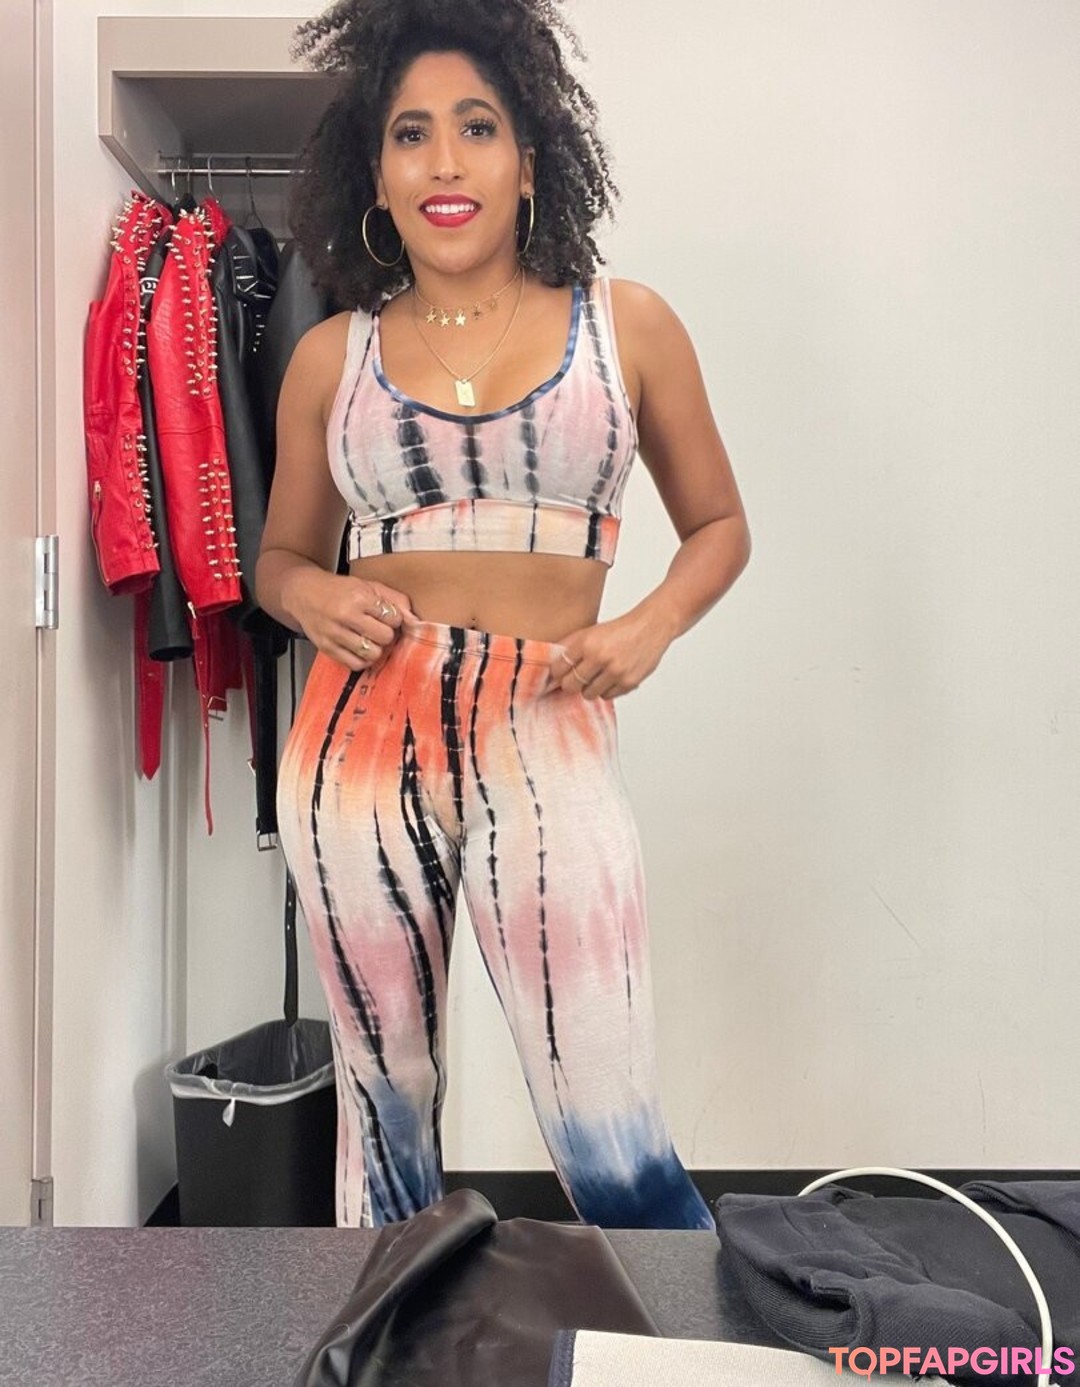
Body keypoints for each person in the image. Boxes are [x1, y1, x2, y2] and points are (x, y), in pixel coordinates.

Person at [256, 0, 751, 1231]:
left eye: (476, 127)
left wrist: (649, 625)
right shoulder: (331, 358)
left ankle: (684, 1327)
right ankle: (395, 1320)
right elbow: (279, 560)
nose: (444, 161)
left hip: (544, 715)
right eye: (410, 133)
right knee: (386, 1099)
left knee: (605, 1109)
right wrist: (313, 592)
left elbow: (720, 525)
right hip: (357, 739)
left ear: (530, 160)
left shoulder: (626, 325)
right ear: (376, 174)